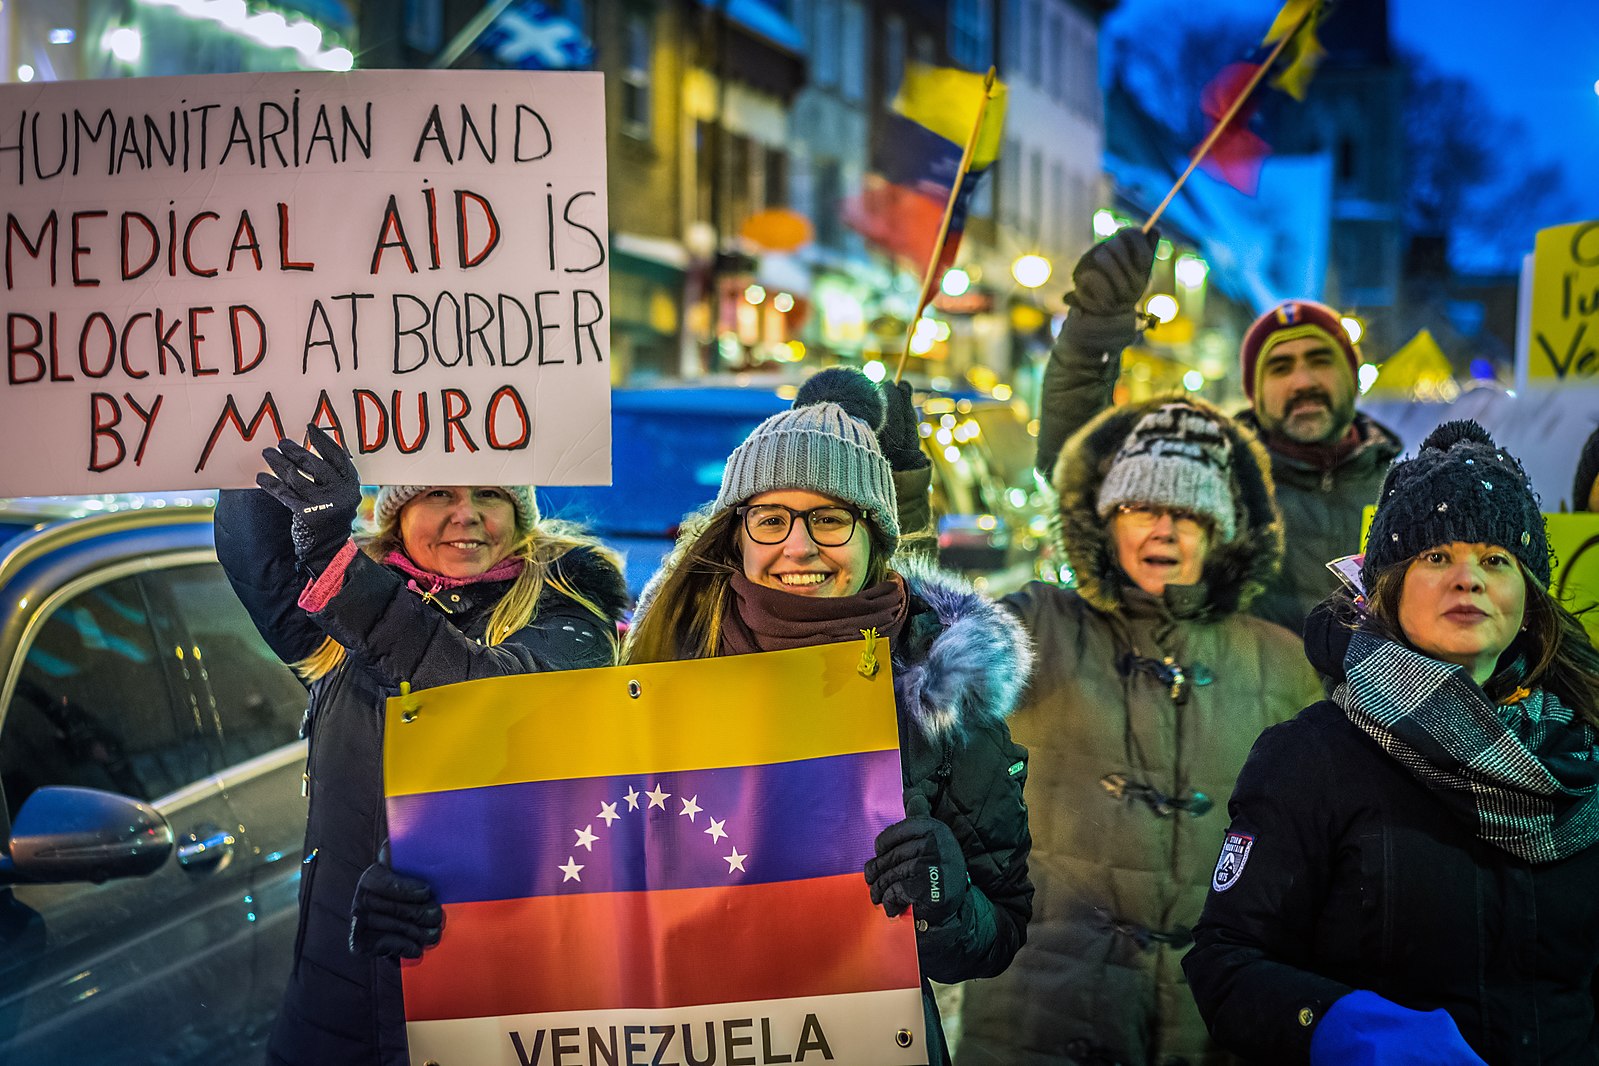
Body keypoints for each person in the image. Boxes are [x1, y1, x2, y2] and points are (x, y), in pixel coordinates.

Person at [627, 367, 1032, 1066]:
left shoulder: (935, 694)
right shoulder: (658, 670)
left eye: (830, 518)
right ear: (737, 536)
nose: (799, 546)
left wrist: (943, 895)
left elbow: (995, 935)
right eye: (772, 518)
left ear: (874, 536)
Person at [1183, 420, 1599, 1065]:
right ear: (1388, 587)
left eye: (1496, 559)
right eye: (1436, 557)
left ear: (1528, 594)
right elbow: (1224, 962)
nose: (1469, 579)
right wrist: (1335, 1024)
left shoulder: (1582, 754)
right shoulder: (1313, 756)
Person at [214, 426, 629, 1066]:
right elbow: (253, 550)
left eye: (489, 492)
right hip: (333, 1003)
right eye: (438, 492)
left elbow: (486, 704)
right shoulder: (335, 620)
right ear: (398, 512)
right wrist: (278, 411)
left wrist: (339, 568)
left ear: (518, 514)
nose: (466, 515)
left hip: (496, 1012)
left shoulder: (570, 618)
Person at [956, 396, 1323, 1065]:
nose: (1163, 529)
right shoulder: (1036, 627)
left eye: (1187, 513)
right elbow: (922, 666)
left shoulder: (1284, 663)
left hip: (1210, 1023)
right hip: (1040, 1016)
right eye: (1140, 509)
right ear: (1104, 522)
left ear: (1221, 532)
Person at [1033, 228, 1402, 636]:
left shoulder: (1401, 493)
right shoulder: (1211, 477)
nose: (1302, 381)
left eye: (1320, 361)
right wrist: (1093, 334)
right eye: (1280, 368)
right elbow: (1078, 462)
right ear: (1254, 394)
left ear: (1352, 379)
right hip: (1242, 693)